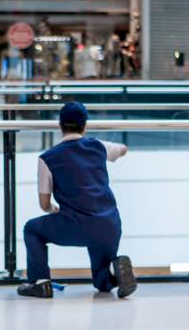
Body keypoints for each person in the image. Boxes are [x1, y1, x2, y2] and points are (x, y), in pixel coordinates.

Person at [18, 102, 137, 299]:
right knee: (102, 284)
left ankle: (40, 282)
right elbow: (122, 149)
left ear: (60, 124)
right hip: (109, 225)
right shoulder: (98, 146)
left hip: (76, 224)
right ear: (85, 125)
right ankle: (114, 271)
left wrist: (53, 210)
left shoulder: (47, 158)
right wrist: (117, 148)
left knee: (32, 229)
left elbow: (44, 203)